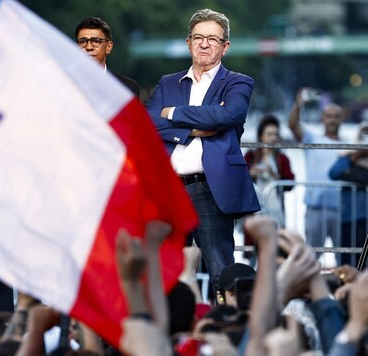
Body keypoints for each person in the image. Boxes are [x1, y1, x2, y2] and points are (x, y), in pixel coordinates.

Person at [146, 8, 260, 292]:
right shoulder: (168, 82)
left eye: (212, 38)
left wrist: (172, 112)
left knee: (220, 269)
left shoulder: (238, 82)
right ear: (188, 43)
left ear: (225, 46)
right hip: (169, 190)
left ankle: (226, 327)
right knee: (166, 270)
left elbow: (229, 115)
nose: (204, 44)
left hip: (210, 188)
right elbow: (150, 124)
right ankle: (172, 332)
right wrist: (198, 126)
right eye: (198, 37)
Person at [288, 88, 346, 252]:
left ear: (342, 119)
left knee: (345, 256)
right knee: (312, 257)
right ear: (322, 118)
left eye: (336, 116)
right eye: (329, 116)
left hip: (343, 208)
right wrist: (299, 104)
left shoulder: (350, 144)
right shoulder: (312, 138)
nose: (332, 120)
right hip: (316, 207)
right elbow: (293, 125)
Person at [328, 123, 368, 266]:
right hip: (348, 217)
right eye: (363, 137)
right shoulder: (349, 156)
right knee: (346, 261)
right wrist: (353, 153)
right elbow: (333, 173)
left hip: (364, 218)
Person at [245, 114, 295, 226]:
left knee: (275, 241)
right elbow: (237, 181)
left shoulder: (282, 159)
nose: (273, 138)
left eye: (276, 134)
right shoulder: (250, 156)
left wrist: (277, 177)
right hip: (254, 211)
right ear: (261, 136)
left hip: (275, 211)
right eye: (269, 134)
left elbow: (290, 183)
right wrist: (249, 175)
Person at [75, 17, 141, 98]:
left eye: (96, 41)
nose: (89, 47)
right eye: (83, 42)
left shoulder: (127, 87)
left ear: (108, 47)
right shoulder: (65, 84)